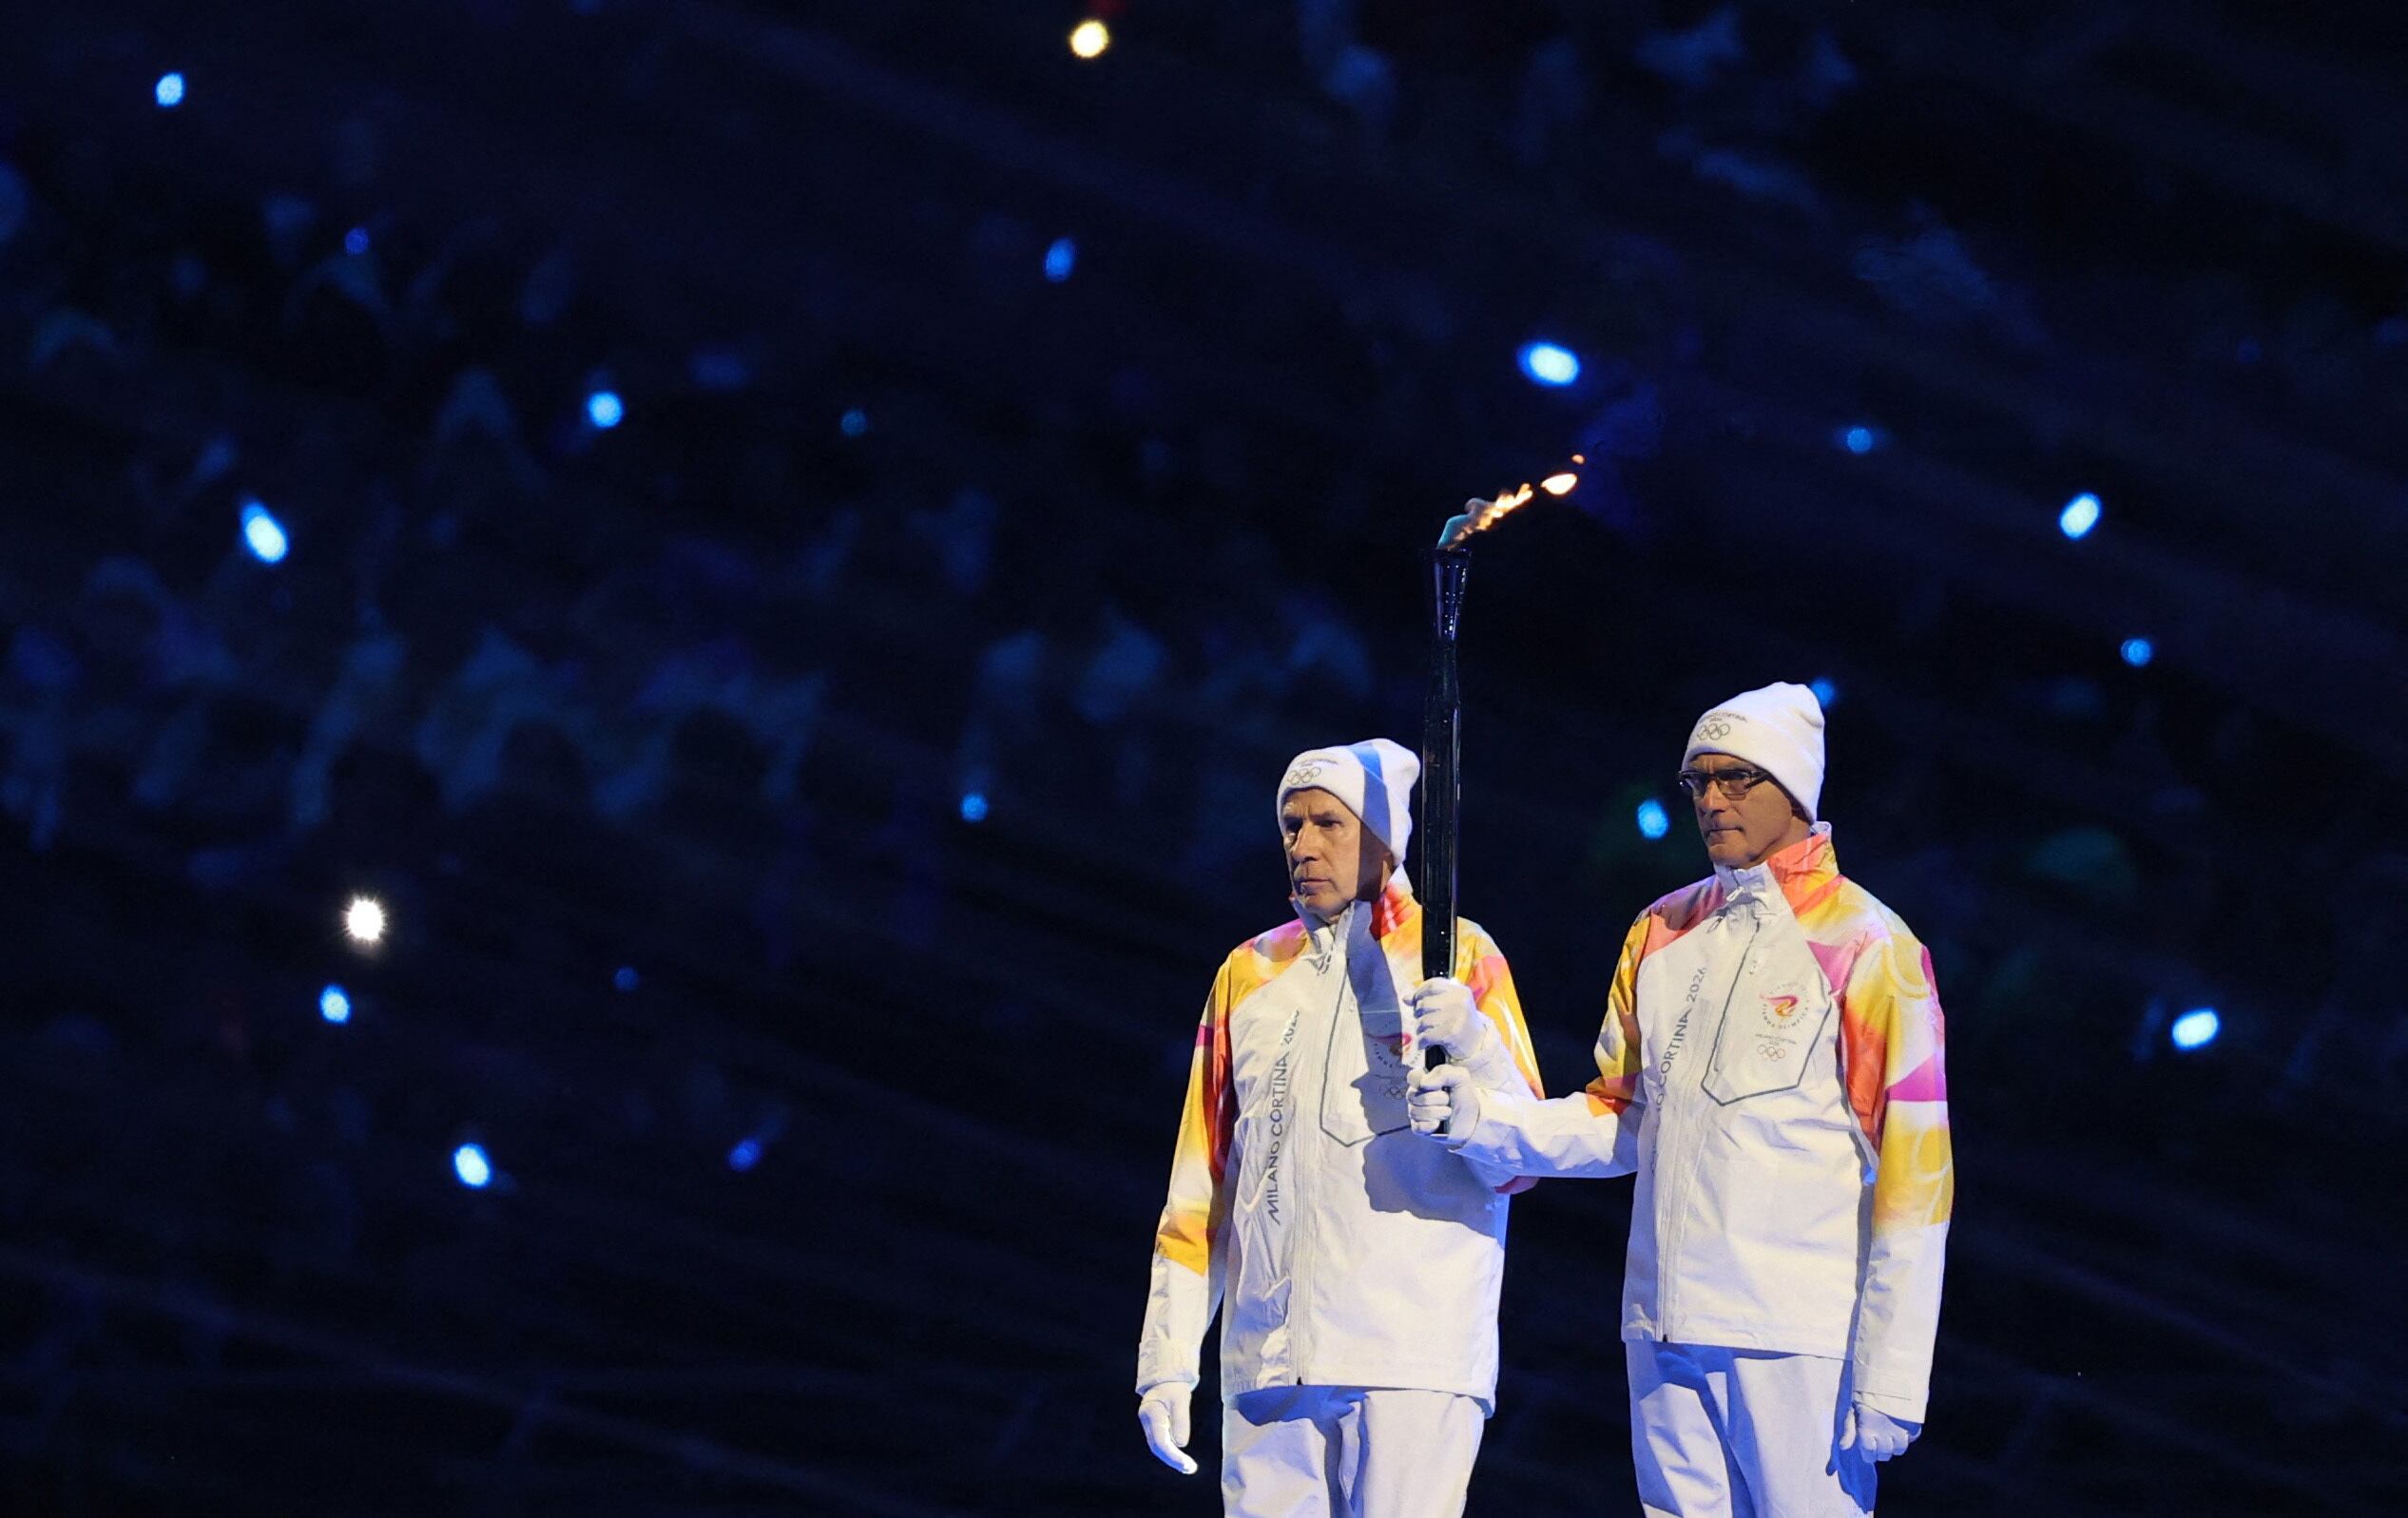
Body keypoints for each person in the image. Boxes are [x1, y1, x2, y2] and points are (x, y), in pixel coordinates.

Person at [1408, 683, 1952, 1517]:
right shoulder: (1660, 930)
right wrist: (1483, 1119)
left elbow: (1916, 1177)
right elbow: (1621, 1118)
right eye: (1697, 780)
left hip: (1795, 1331)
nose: (1710, 799)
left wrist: (1894, 1368)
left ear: (1793, 787)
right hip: (1660, 1321)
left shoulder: (1869, 945)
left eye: (1736, 777)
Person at [1135, 738, 1546, 1517]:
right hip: (1268, 1360)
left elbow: (1525, 1155)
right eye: (1291, 825)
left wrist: (1475, 1047)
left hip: (1410, 1355)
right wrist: (1167, 1358)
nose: (1303, 845)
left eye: (1329, 823)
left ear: (1384, 841)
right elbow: (1200, 1185)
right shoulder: (1248, 972)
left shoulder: (1458, 954)